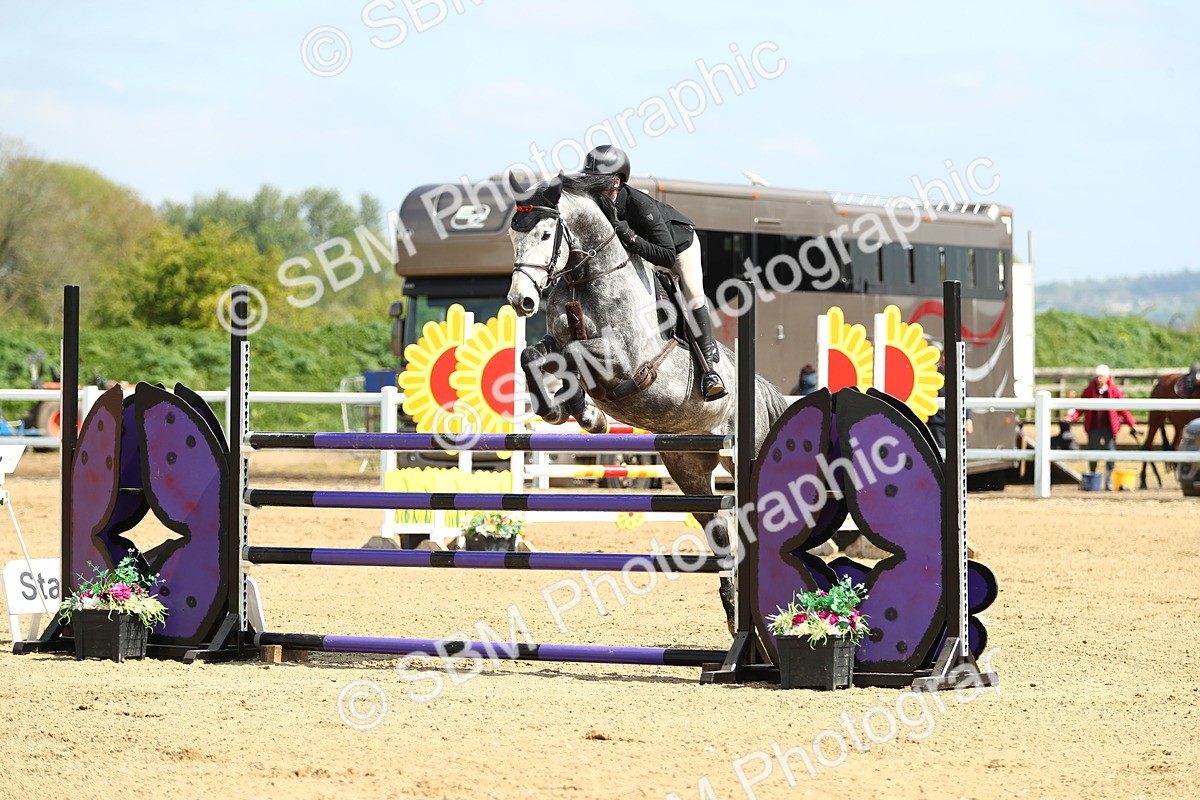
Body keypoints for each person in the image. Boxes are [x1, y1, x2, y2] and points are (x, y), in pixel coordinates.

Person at [581, 145, 725, 401]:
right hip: (638, 250)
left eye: (597, 183)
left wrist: (629, 235)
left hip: (678, 246)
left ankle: (710, 373)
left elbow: (666, 255)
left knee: (693, 294)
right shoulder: (597, 202)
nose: (591, 190)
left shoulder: (639, 204)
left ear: (615, 182)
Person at [1065, 364, 1137, 490]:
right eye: (1098, 376)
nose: (1099, 379)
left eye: (1101, 377)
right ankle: (1093, 478)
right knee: (1093, 452)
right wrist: (1072, 417)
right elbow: (1080, 407)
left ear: (1107, 377)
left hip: (1110, 427)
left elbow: (1123, 409)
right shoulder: (1089, 391)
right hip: (1094, 427)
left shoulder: (1114, 390)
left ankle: (1109, 481)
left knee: (1110, 454)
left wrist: (1131, 423)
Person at [925, 343, 973, 450]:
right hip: (937, 425)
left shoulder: (959, 376)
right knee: (943, 456)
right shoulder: (933, 375)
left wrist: (968, 419)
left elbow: (965, 397)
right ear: (941, 357)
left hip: (955, 424)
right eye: (944, 356)